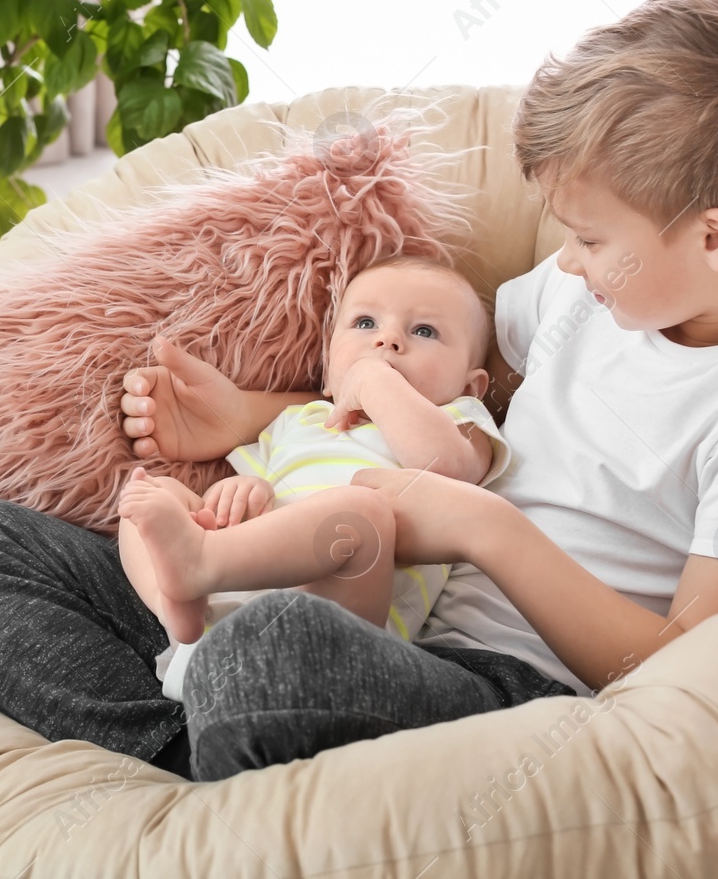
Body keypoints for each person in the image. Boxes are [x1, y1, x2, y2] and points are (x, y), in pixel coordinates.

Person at [0, 0, 718, 783]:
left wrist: (485, 529)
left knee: (272, 655)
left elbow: (688, 667)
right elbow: (426, 386)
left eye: (590, 239)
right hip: (343, 586)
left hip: (500, 688)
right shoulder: (595, 297)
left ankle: (200, 739)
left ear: (715, 238)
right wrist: (256, 414)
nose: (562, 263)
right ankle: (180, 754)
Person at [116, 254, 512, 705]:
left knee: (362, 513)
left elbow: (447, 468)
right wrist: (239, 493)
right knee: (152, 492)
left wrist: (370, 378)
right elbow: (240, 503)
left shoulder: (459, 421)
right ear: (327, 369)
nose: (387, 340)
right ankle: (173, 604)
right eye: (365, 323)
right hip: (218, 626)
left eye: (424, 331)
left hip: (331, 639)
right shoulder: (299, 421)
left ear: (471, 386)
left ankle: (198, 566)